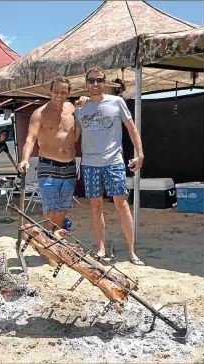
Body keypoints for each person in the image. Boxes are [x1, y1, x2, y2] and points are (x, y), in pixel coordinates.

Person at [74, 65, 145, 266]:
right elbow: (74, 136)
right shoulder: (80, 107)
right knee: (95, 206)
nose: (95, 84)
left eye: (99, 80)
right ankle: (101, 248)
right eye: (91, 80)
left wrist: (140, 154)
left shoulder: (117, 102)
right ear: (86, 84)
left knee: (121, 205)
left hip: (113, 161)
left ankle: (132, 252)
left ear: (104, 82)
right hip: (90, 164)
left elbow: (132, 130)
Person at [18, 76, 78, 266]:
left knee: (61, 212)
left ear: (68, 93)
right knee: (51, 211)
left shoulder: (74, 109)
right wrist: (25, 159)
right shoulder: (39, 113)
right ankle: (50, 252)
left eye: (63, 92)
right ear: (50, 92)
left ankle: (56, 246)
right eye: (56, 91)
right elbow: (30, 139)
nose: (59, 95)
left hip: (69, 167)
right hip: (48, 166)